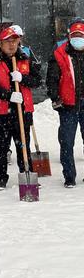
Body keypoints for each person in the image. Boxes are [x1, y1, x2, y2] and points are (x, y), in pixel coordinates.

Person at [0, 27, 41, 190]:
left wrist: (23, 78)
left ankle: (27, 172)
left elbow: (37, 81)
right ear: (0, 44)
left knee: (23, 144)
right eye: (8, 41)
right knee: (1, 146)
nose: (12, 45)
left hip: (23, 110)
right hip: (1, 112)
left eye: (14, 41)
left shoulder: (25, 59)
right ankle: (1, 176)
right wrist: (8, 95)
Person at [47, 20, 84, 187]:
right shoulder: (59, 54)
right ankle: (69, 176)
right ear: (69, 37)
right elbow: (52, 79)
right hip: (68, 106)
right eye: (75, 36)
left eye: (81, 36)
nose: (78, 39)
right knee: (67, 142)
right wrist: (55, 98)